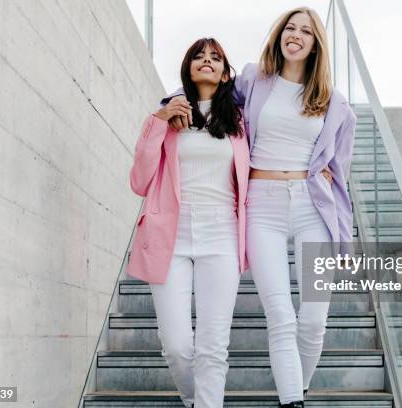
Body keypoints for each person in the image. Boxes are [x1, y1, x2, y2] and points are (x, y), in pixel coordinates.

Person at [162, 7, 356, 407]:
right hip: (262, 206)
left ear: (316, 43)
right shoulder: (254, 78)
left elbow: (340, 170)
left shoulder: (336, 105)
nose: (296, 35)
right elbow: (207, 90)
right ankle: (292, 400)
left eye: (306, 31)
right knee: (281, 316)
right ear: (279, 34)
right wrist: (170, 103)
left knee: (314, 320)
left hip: (311, 208)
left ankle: (297, 387)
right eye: (290, 27)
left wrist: (328, 190)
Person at [125, 38, 250, 408]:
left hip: (222, 233)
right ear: (188, 68)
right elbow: (139, 182)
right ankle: (195, 399)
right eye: (199, 56)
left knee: (213, 345)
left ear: (226, 73)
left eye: (215, 57)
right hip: (171, 235)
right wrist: (157, 121)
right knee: (177, 345)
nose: (207, 61)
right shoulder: (169, 117)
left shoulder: (240, 122)